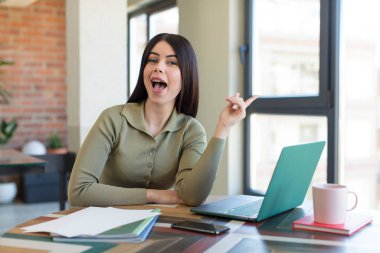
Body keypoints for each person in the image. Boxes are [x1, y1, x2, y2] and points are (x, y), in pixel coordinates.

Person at [68, 33, 258, 207]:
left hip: (156, 226)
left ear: (187, 75)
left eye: (172, 63)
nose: (158, 67)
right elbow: (79, 191)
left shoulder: (191, 130)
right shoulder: (112, 119)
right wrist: (155, 195)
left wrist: (223, 128)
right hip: (100, 223)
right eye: (152, 60)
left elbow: (192, 196)